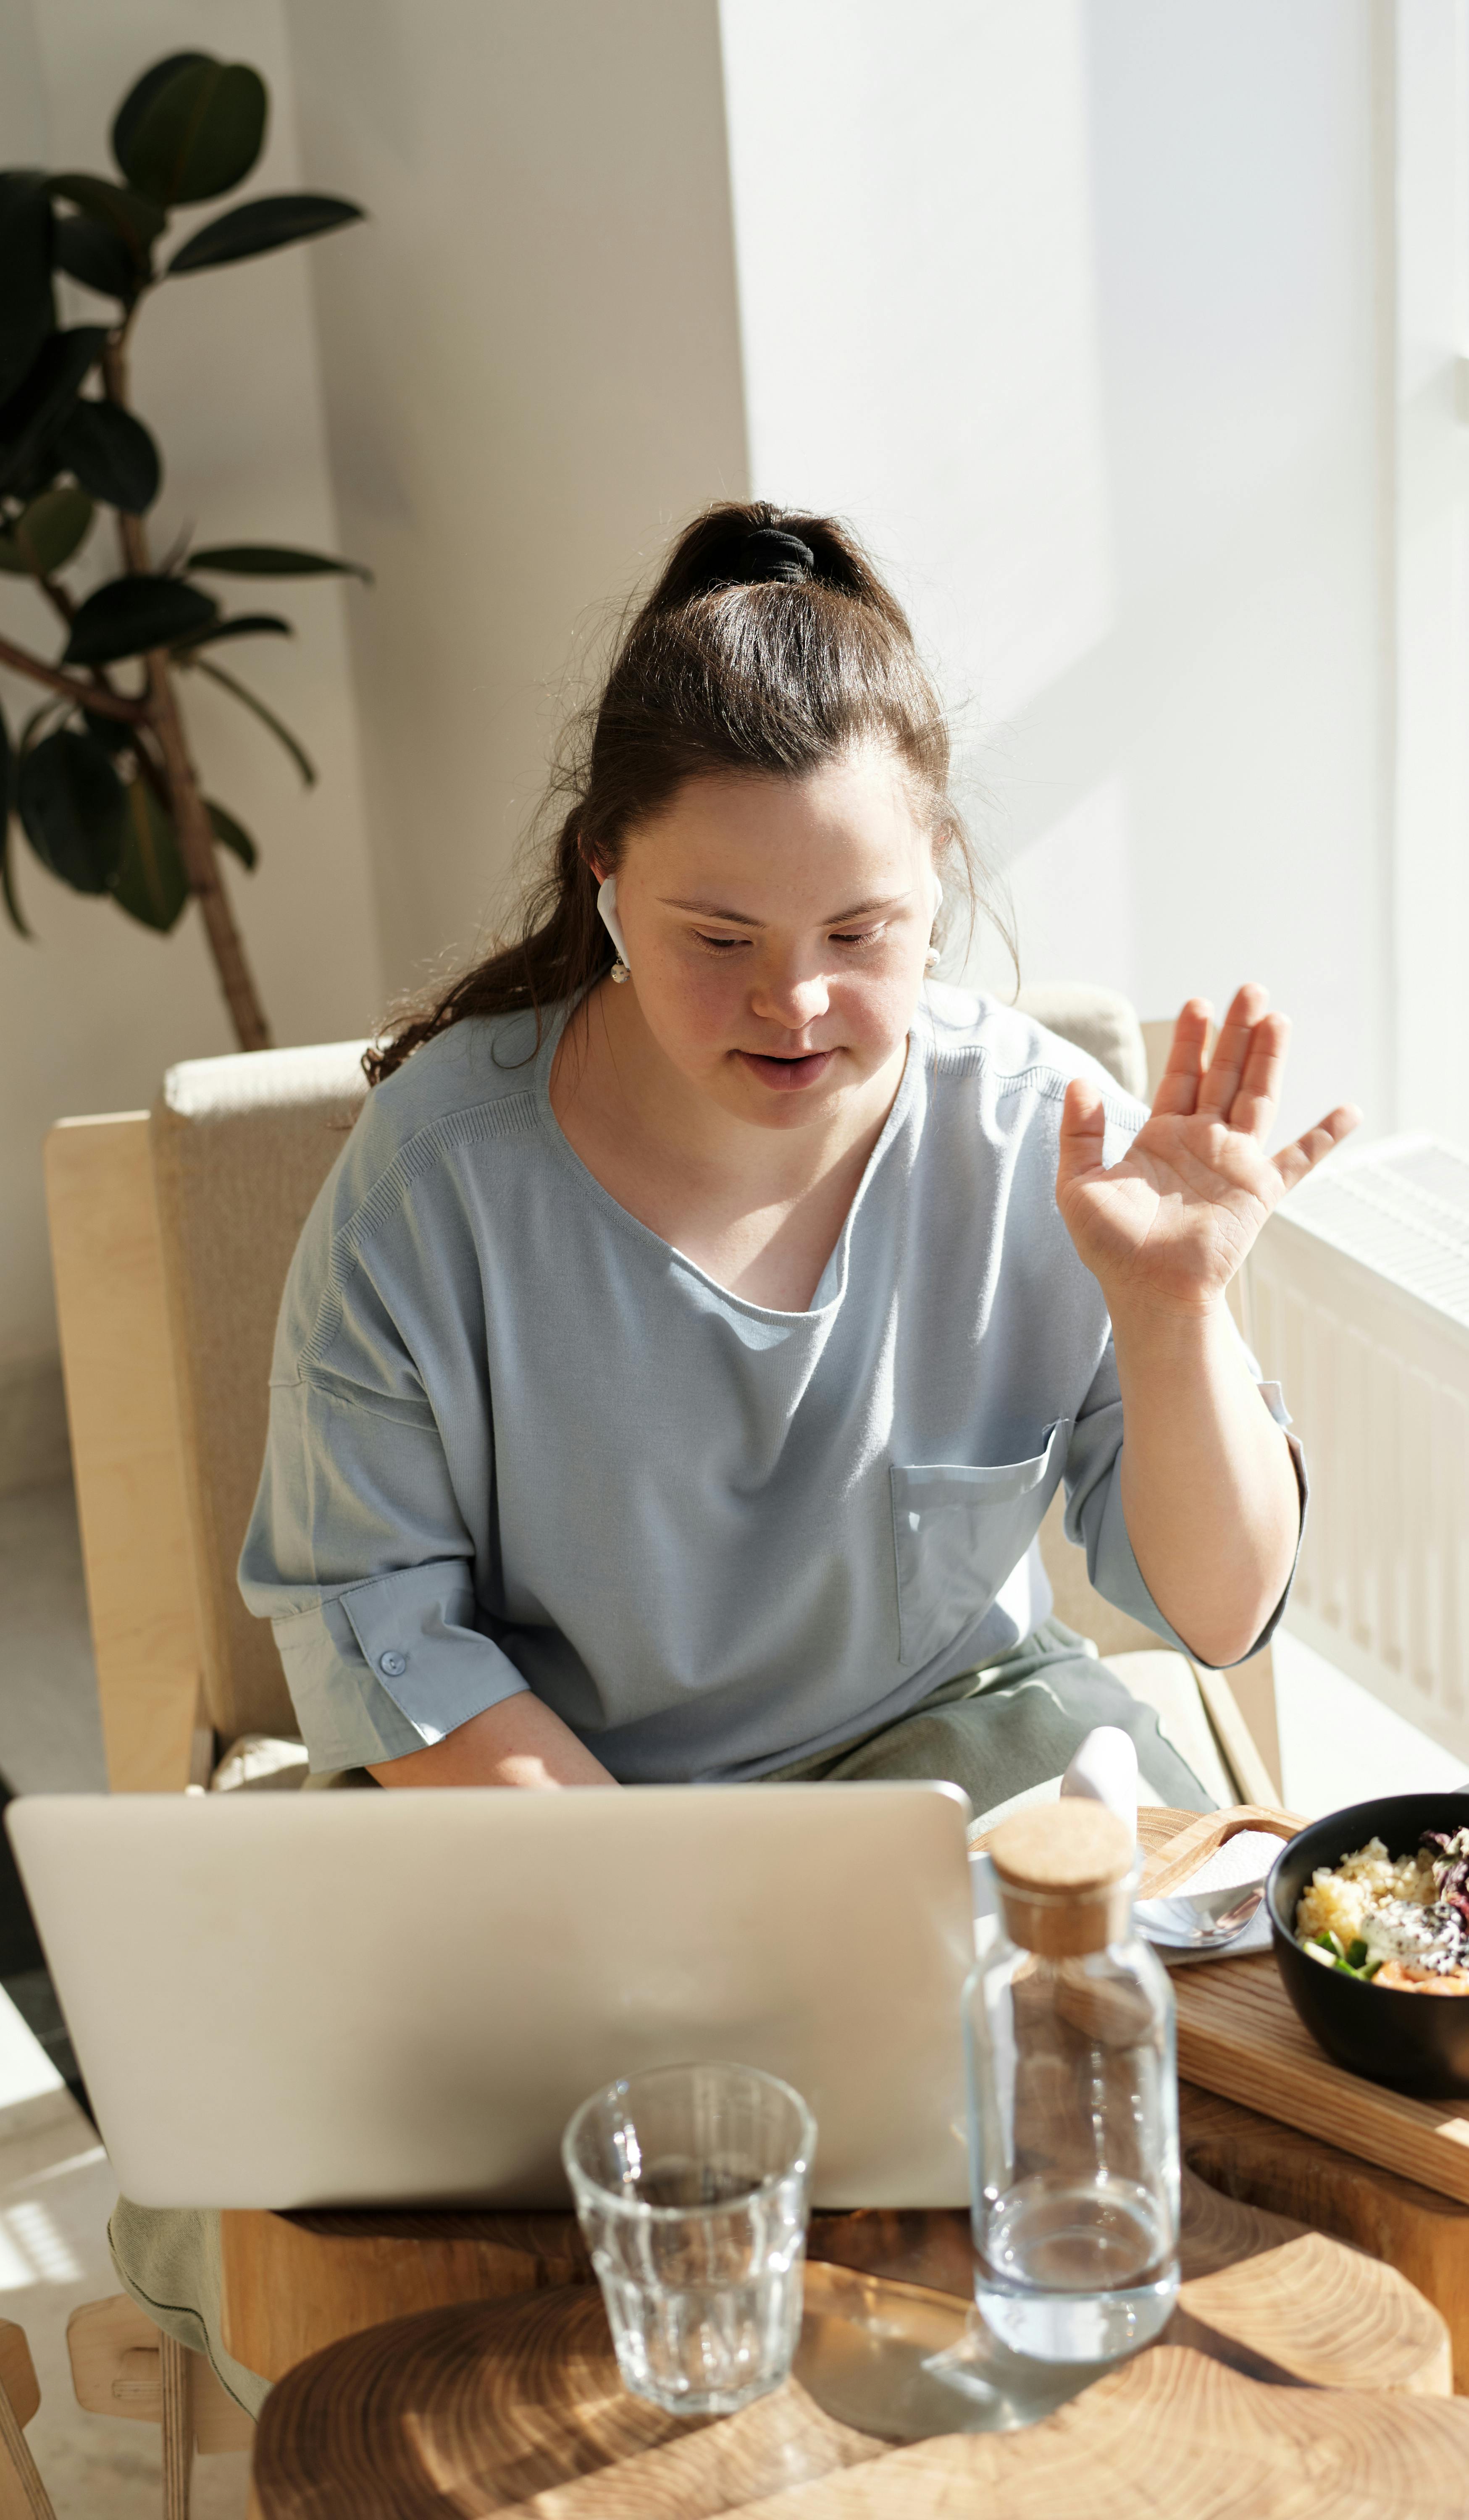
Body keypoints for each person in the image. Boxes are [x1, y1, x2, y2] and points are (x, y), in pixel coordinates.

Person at [110, 503, 1356, 2400]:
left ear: (936, 881)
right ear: (601, 872)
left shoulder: (1045, 1132)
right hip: (545, 1806)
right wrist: (674, 1945)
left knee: (1146, 2192)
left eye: (861, 936)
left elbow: (1210, 1601)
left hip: (950, 1782)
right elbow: (375, 1618)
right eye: (717, 938)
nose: (793, 1005)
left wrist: (1176, 1308)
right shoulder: (440, 1174)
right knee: (460, 2285)